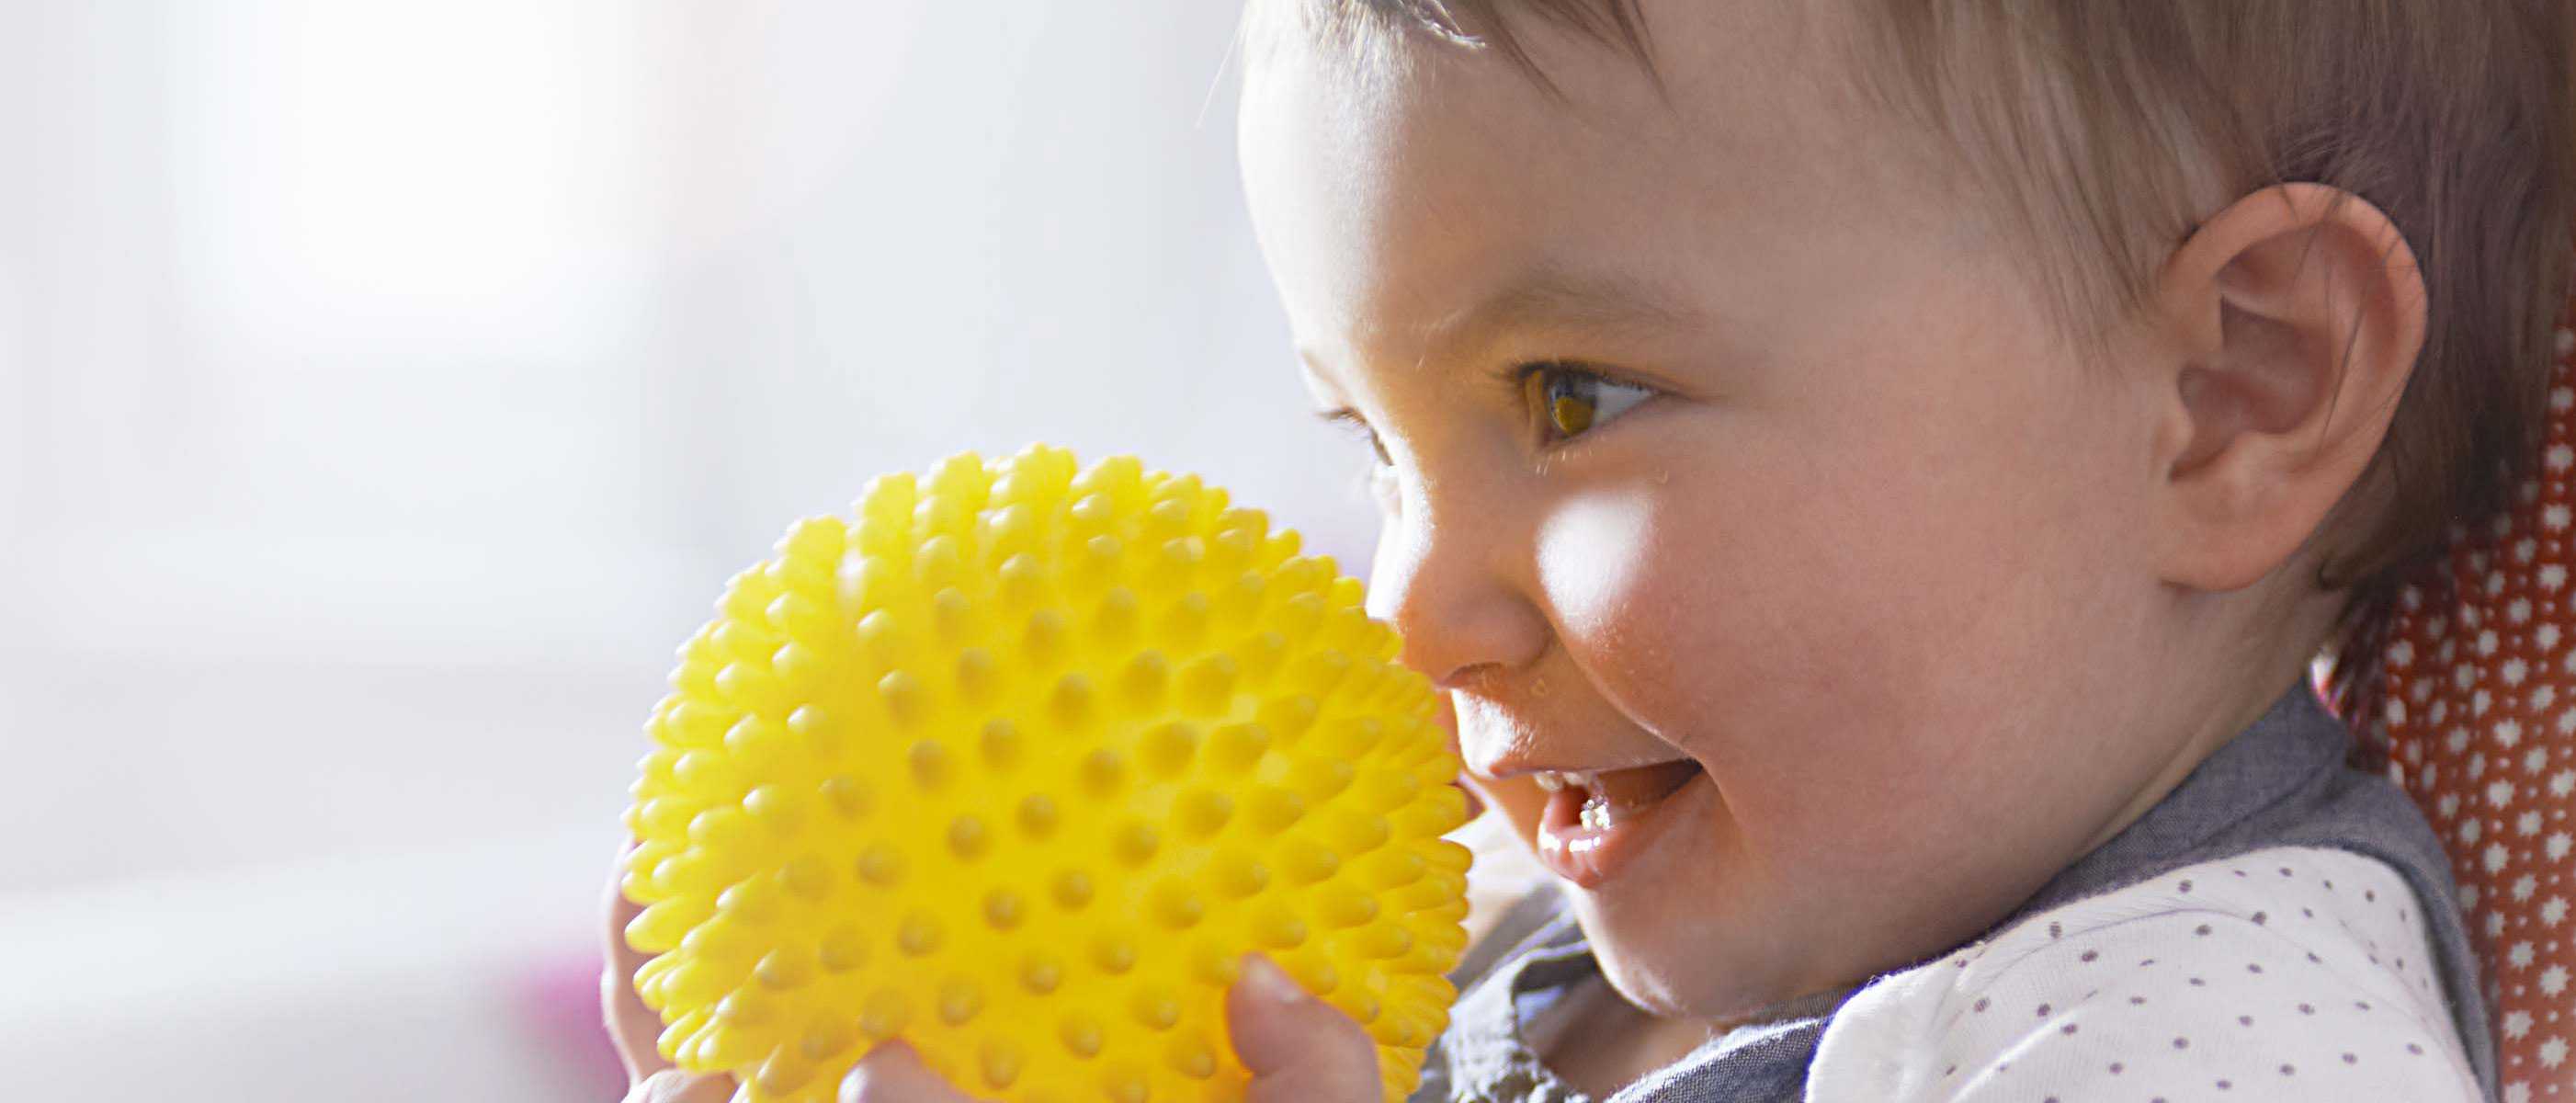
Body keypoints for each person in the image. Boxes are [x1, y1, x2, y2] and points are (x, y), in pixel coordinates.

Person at [607, 1, 2574, 1098]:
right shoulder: (1535, 980)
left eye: (1569, 400)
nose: (1409, 621)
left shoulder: (2197, 1043)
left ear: (2235, 391)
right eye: (1368, 446)